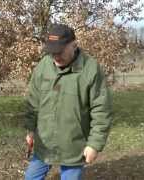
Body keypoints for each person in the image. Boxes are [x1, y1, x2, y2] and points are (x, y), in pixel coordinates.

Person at [24, 24, 112, 180]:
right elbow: (33, 100)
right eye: (52, 52)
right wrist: (30, 129)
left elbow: (101, 110)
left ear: (74, 45)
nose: (55, 56)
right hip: (44, 142)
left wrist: (94, 145)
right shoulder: (43, 66)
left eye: (60, 51)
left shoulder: (91, 69)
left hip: (74, 145)